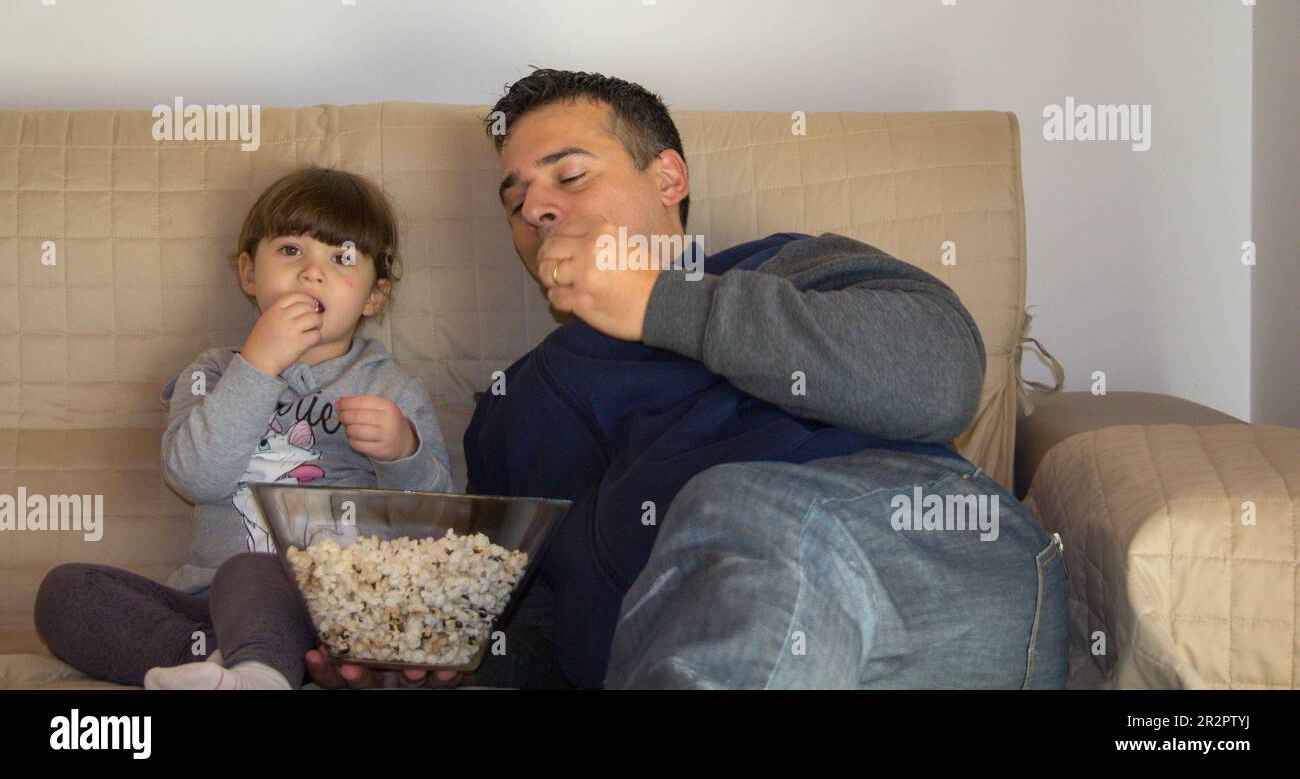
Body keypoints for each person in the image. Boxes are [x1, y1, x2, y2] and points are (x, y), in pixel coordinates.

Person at [311, 68, 1068, 691]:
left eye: (569, 175)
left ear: (668, 176)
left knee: (737, 504)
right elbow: (546, 632)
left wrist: (660, 301)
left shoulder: (787, 268)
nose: (537, 207)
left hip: (931, 577)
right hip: (709, 665)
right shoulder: (514, 413)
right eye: (515, 202)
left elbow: (941, 381)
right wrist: (453, 661)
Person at [34, 167, 453, 689]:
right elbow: (196, 479)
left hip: (329, 610)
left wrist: (402, 452)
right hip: (207, 606)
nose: (312, 273)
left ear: (374, 296)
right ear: (248, 273)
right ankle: (227, 666)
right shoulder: (211, 372)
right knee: (65, 590)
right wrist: (257, 367)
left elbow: (437, 525)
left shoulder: (389, 385)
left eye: (342, 258)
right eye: (291, 251)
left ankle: (258, 671)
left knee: (253, 567)